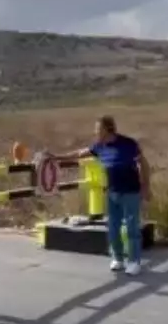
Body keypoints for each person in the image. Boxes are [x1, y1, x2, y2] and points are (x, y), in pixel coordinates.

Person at [48, 115, 152, 274]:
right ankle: (118, 258)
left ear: (108, 129)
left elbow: (143, 164)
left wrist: (146, 187)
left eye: (98, 129)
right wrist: (56, 157)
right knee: (113, 227)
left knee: (132, 228)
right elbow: (79, 154)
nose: (95, 132)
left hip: (131, 192)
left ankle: (134, 261)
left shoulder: (128, 144)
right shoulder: (99, 147)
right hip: (112, 193)